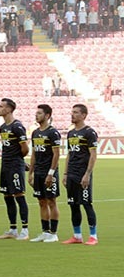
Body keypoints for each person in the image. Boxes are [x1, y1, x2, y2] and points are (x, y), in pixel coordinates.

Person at [62, 104, 99, 245]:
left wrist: (87, 174)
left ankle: (93, 236)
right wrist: (65, 173)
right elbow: (69, 154)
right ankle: (77, 235)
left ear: (84, 115)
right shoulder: (71, 133)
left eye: (76, 112)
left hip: (82, 174)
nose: (72, 115)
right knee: (73, 205)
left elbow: (93, 155)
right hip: (71, 174)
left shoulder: (89, 132)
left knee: (86, 204)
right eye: (72, 112)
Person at [0, 98, 30, 240]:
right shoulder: (3, 127)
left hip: (15, 165)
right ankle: (13, 229)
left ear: (9, 109)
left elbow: (25, 148)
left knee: (19, 195)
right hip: (5, 165)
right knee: (7, 196)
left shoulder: (17, 126)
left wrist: (19, 161)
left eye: (2, 106)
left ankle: (25, 229)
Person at [28, 104, 61, 243]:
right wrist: (31, 173)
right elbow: (34, 153)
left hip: (49, 172)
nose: (37, 115)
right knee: (41, 202)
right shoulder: (35, 133)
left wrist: (51, 173)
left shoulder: (53, 133)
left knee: (51, 201)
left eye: (40, 113)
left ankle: (54, 233)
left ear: (47, 116)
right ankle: (45, 232)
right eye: (36, 113)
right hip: (39, 172)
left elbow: (56, 154)